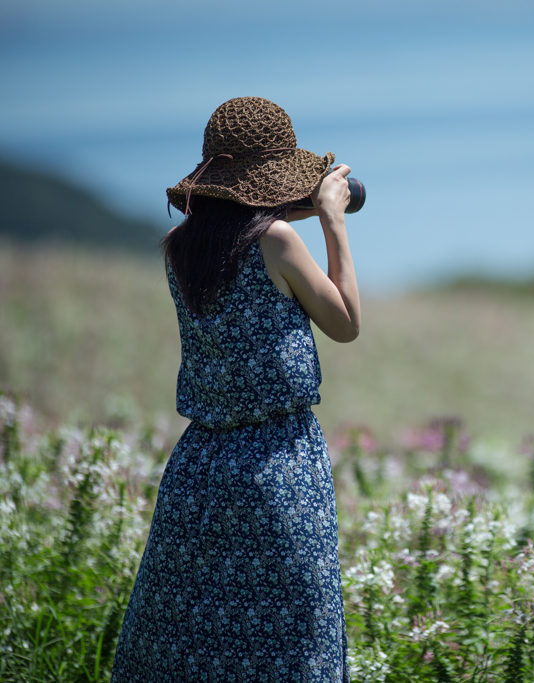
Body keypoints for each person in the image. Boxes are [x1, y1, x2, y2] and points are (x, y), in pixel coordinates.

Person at [111, 97, 358, 682]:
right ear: (273, 178)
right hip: (279, 461)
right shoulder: (277, 239)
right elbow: (346, 323)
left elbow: (241, 237)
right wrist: (331, 219)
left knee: (190, 630)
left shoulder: (181, 248)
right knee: (295, 631)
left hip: (201, 462)